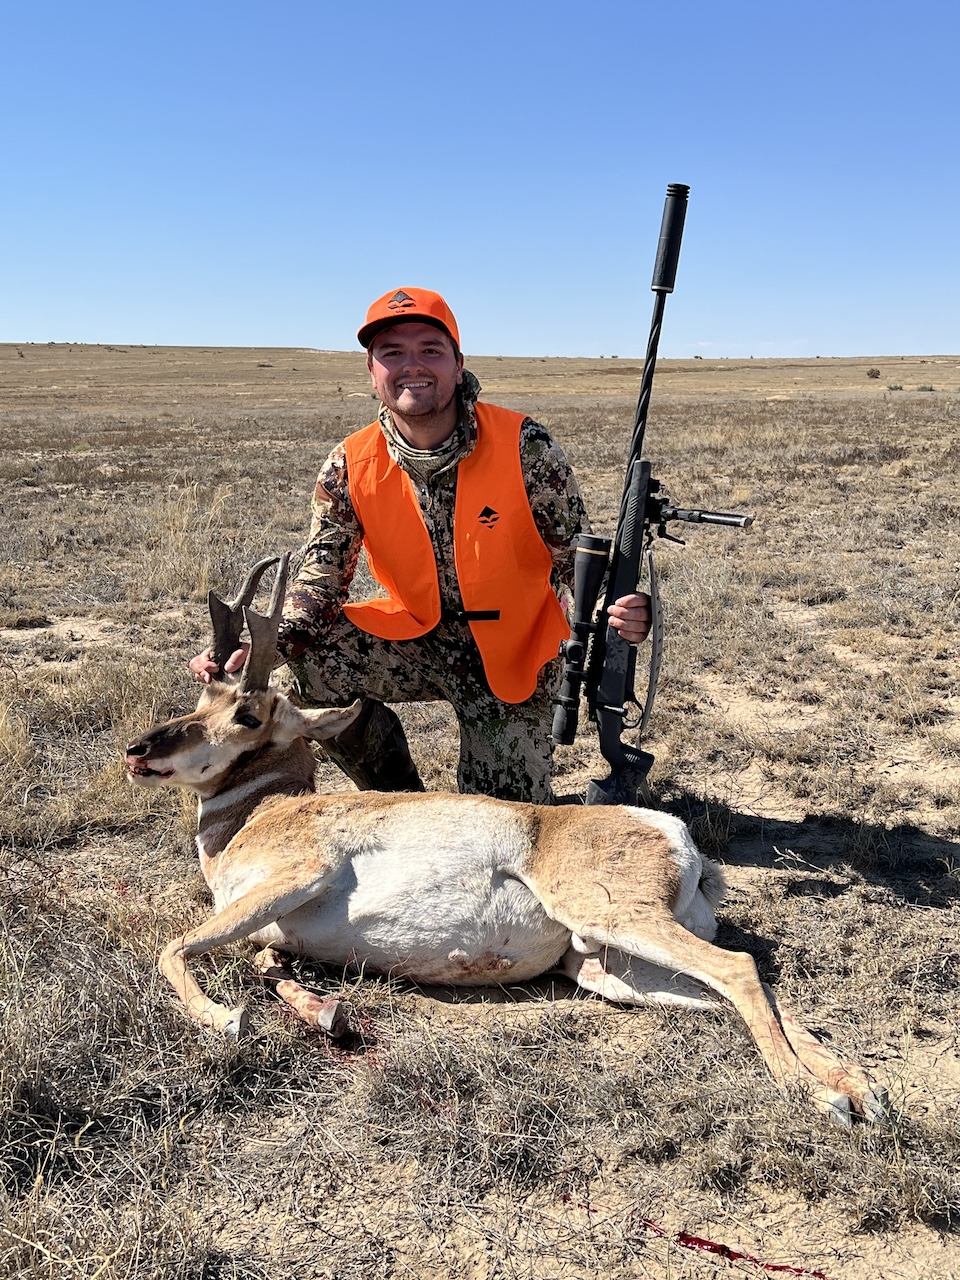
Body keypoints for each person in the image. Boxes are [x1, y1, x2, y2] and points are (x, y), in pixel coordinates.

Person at [191, 287, 650, 803]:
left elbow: (576, 562)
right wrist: (267, 645)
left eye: (430, 350)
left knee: (497, 821)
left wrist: (618, 609)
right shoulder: (350, 463)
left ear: (458, 365)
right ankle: (398, 799)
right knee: (309, 657)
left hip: (516, 652)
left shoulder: (525, 445)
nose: (413, 366)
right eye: (392, 353)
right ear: (371, 370)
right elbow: (321, 578)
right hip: (415, 638)